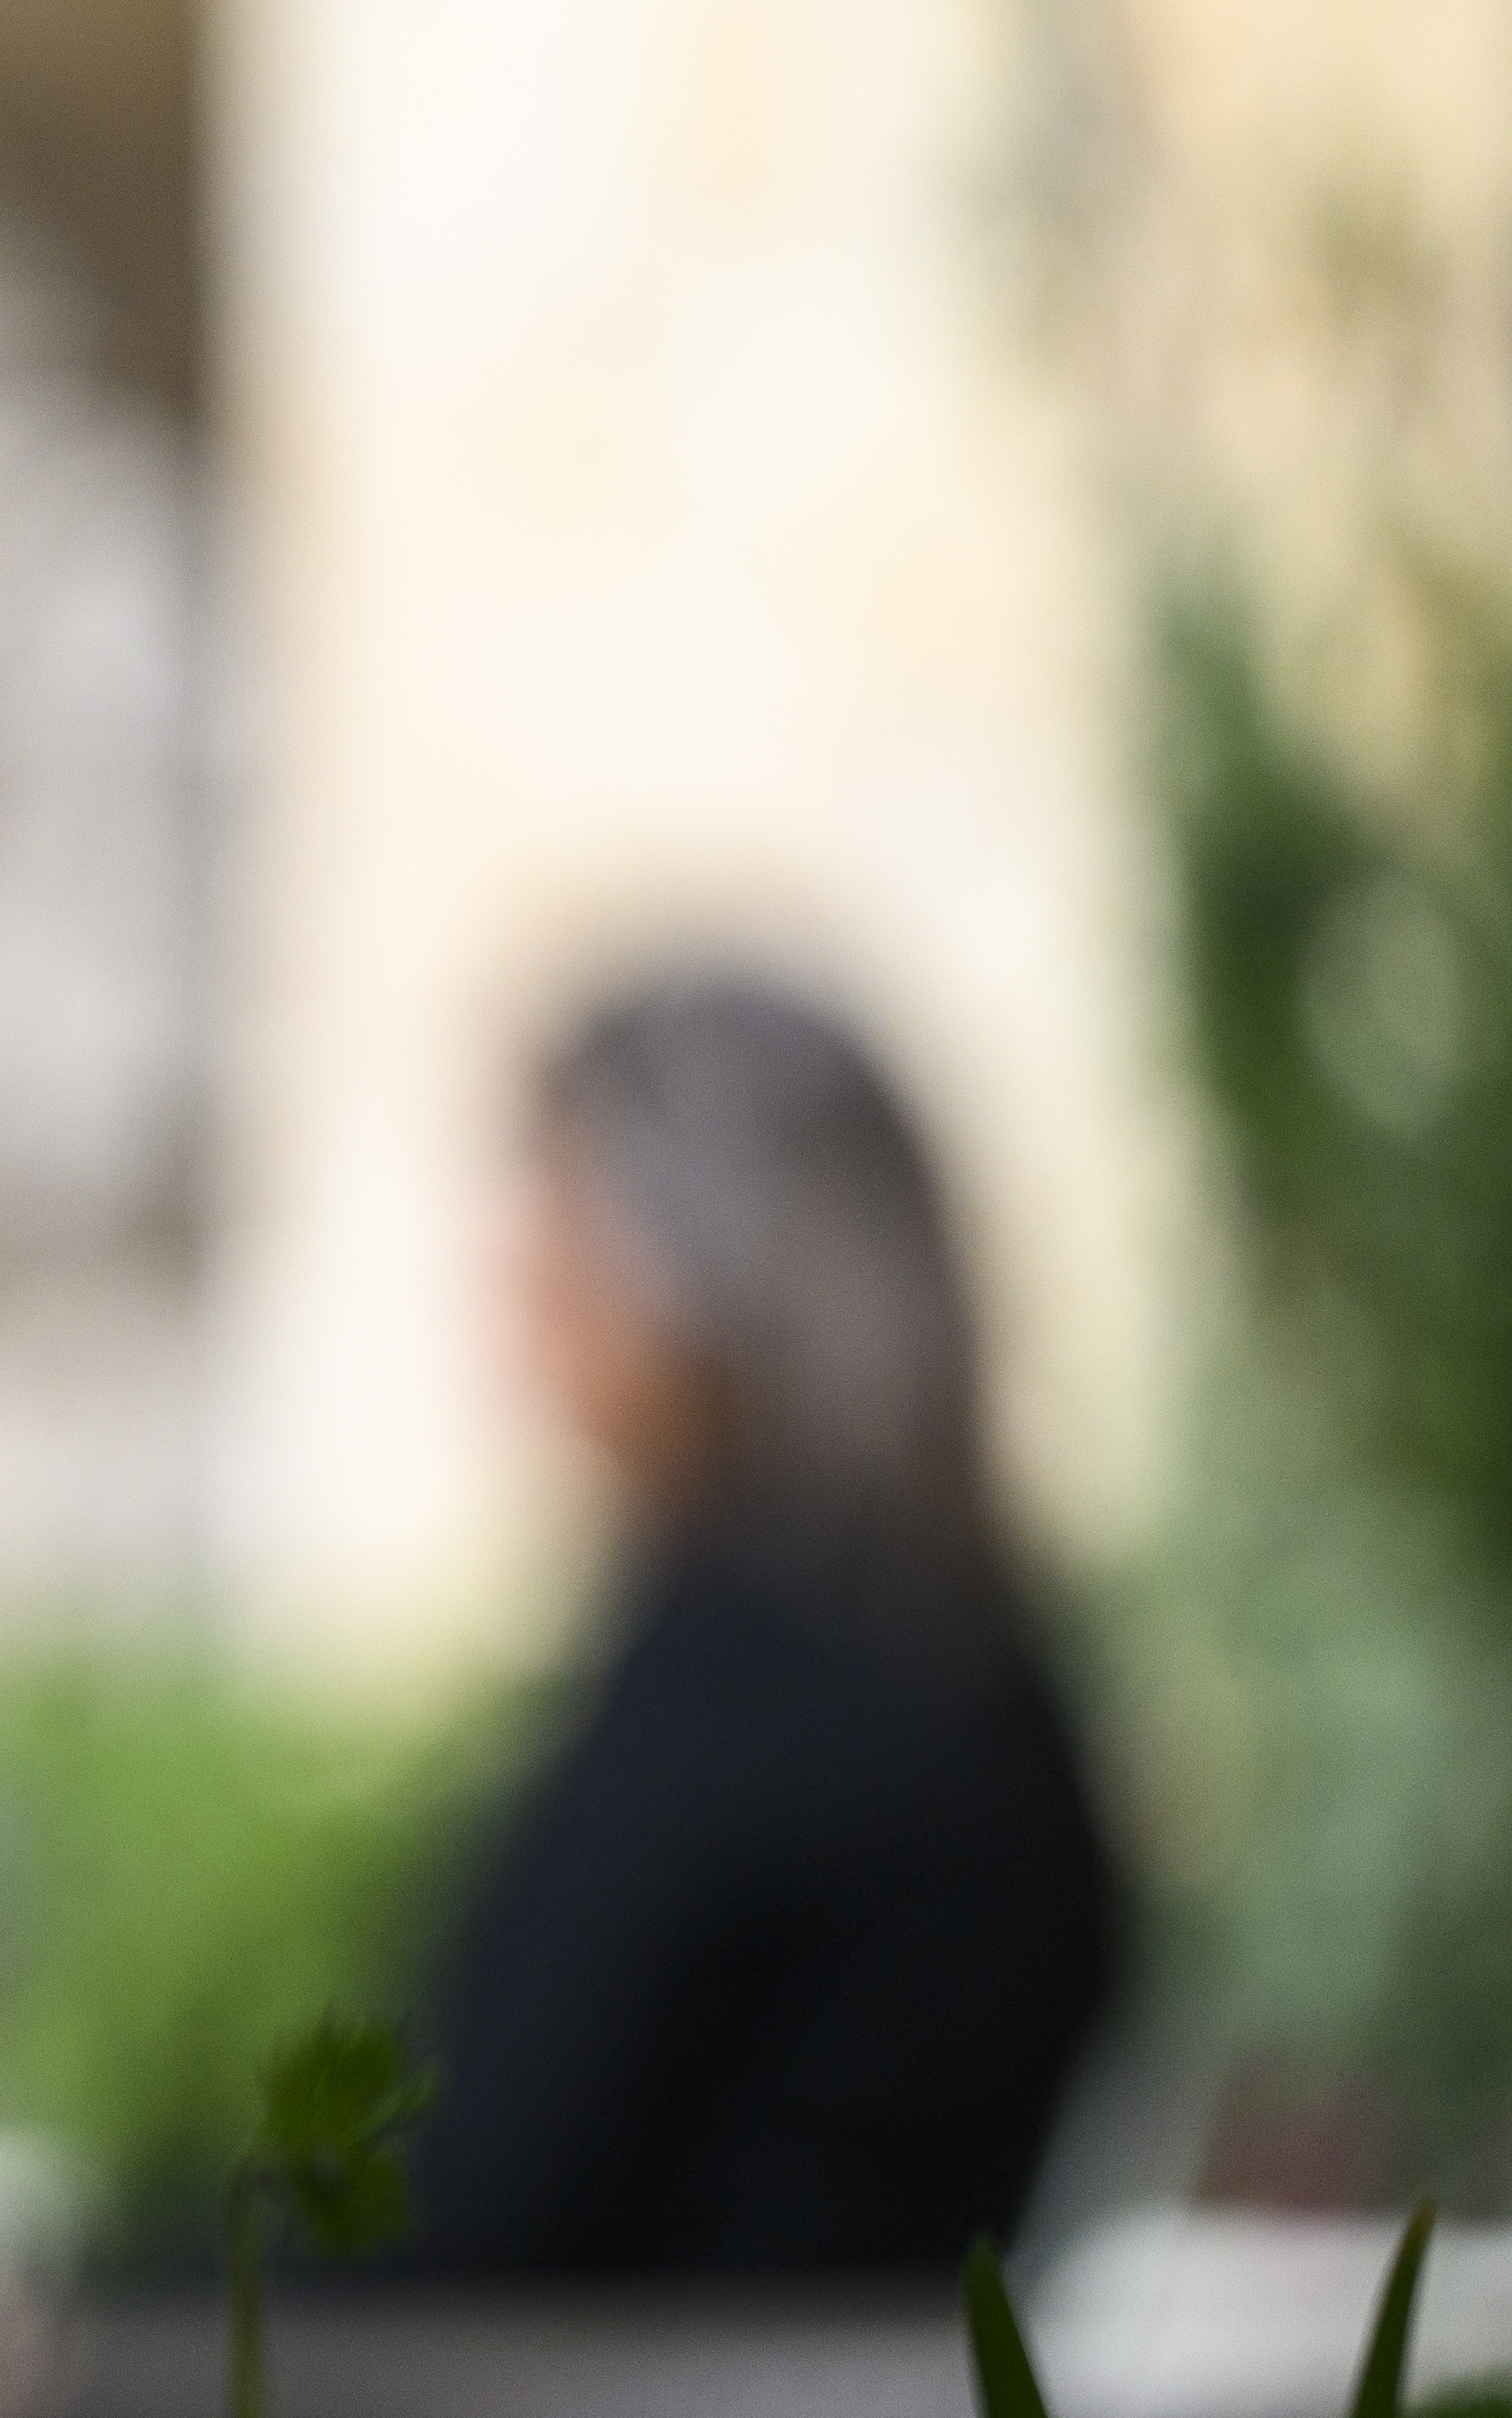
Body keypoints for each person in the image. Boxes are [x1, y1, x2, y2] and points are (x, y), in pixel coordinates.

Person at [404, 968, 1131, 2278]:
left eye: (563, 1230)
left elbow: (465, 2210)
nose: (518, 1291)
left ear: (701, 1275)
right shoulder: (986, 1674)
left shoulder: (740, 1686)